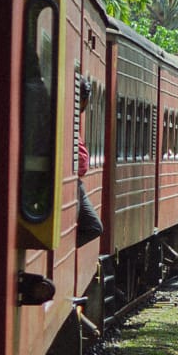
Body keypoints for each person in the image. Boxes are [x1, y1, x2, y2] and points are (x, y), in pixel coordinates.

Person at [75, 74, 103, 247]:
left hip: (76, 184)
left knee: (94, 227)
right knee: (94, 226)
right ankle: (65, 249)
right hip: (73, 184)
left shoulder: (72, 116)